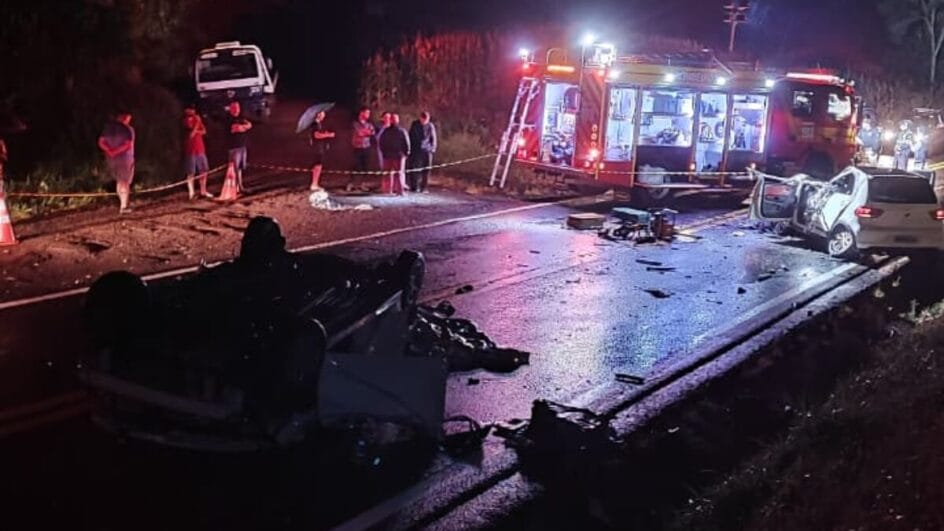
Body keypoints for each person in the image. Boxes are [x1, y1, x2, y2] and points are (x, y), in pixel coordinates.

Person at [98, 111, 135, 214]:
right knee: (124, 181)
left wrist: (109, 151)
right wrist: (115, 152)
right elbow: (128, 145)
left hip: (111, 159)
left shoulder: (108, 128)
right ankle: (124, 206)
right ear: (125, 117)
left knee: (119, 181)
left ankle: (122, 203)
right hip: (124, 159)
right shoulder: (127, 129)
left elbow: (101, 142)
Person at [183, 106, 212, 200]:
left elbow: (204, 131)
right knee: (191, 172)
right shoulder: (185, 120)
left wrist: (197, 128)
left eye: (193, 109)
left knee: (204, 170)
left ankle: (203, 191)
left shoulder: (196, 119)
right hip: (190, 150)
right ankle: (191, 193)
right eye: (190, 109)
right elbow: (191, 134)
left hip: (200, 149)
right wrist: (198, 123)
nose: (192, 111)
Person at [379, 113, 410, 195]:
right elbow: (406, 143)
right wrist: (406, 153)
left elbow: (381, 143)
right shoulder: (401, 131)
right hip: (396, 156)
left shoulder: (387, 131)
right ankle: (398, 191)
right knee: (398, 174)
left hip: (393, 156)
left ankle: (389, 190)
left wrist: (384, 152)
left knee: (391, 174)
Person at [225, 101, 252, 193]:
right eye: (234, 108)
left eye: (238, 107)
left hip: (242, 146)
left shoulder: (241, 118)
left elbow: (249, 125)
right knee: (234, 169)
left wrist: (243, 127)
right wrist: (244, 127)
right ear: (231, 109)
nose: (237, 110)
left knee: (240, 168)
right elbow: (237, 128)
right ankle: (234, 188)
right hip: (234, 147)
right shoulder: (228, 119)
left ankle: (240, 187)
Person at [407, 111, 437, 193]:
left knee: (426, 169)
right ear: (420, 118)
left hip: (427, 150)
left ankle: (424, 187)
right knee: (414, 168)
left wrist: (432, 149)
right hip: (416, 150)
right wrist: (410, 149)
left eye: (426, 120)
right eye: (423, 120)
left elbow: (433, 138)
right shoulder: (415, 124)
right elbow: (411, 136)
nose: (424, 122)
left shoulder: (430, 126)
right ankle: (414, 186)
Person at [309, 110, 335, 190]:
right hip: (316, 148)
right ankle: (314, 184)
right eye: (322, 113)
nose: (324, 115)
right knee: (317, 165)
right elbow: (316, 135)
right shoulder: (315, 124)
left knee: (318, 166)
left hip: (319, 148)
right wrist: (328, 135)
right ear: (318, 115)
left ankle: (315, 183)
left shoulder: (319, 124)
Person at [351, 106, 375, 174]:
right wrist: (366, 132)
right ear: (361, 113)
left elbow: (372, 132)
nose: (368, 115)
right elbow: (359, 133)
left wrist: (365, 132)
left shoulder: (369, 124)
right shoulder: (355, 123)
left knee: (366, 165)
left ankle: (365, 180)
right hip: (357, 147)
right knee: (358, 166)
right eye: (367, 113)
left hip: (367, 147)